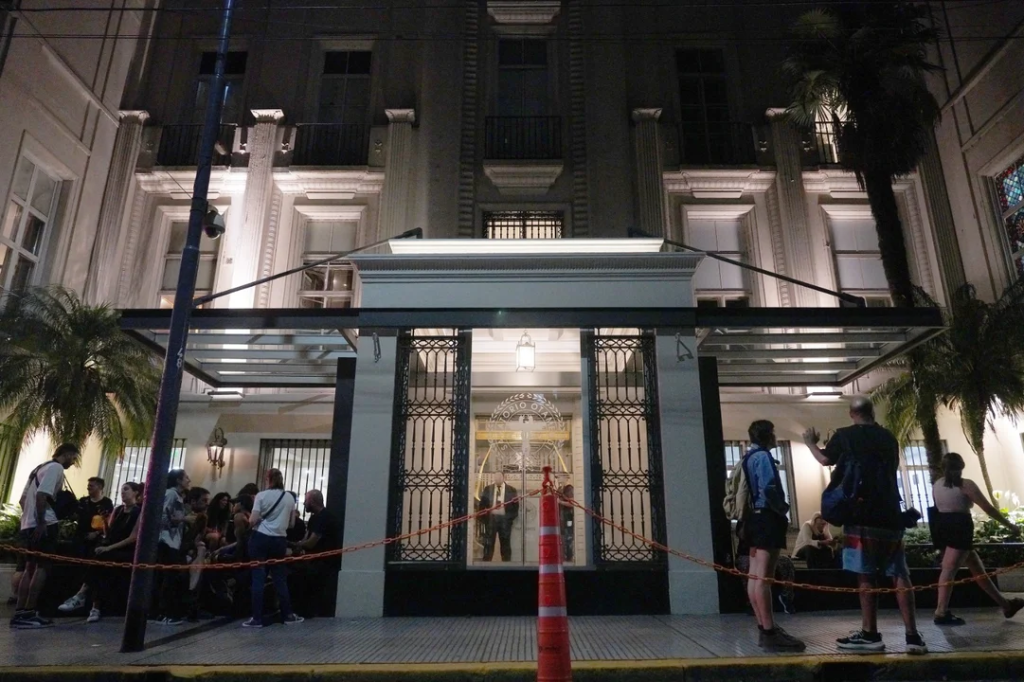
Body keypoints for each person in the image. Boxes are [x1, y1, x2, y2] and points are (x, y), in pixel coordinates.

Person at [803, 397, 927, 654]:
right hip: (891, 514)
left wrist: (810, 443)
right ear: (872, 412)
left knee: (866, 575)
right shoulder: (888, 437)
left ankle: (870, 634)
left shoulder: (845, 435)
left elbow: (825, 460)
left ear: (851, 413)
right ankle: (912, 636)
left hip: (860, 517)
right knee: (900, 574)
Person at [930, 452, 1024, 625]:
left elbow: (938, 506)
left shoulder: (937, 485)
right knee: (949, 569)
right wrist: (1010, 526)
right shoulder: (966, 485)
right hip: (960, 527)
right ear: (961, 467)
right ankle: (941, 612)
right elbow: (988, 508)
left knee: (977, 569)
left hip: (943, 526)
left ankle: (1006, 605)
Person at [738, 420, 805, 651]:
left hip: (753, 519)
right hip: (767, 517)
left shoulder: (748, 457)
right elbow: (768, 487)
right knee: (765, 578)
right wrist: (782, 508)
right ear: (768, 435)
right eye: (774, 433)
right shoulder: (764, 457)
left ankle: (763, 627)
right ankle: (770, 631)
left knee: (754, 576)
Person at [11, 443, 81, 629]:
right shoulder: (56, 468)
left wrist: (29, 519)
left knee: (29, 567)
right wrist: (42, 521)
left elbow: (23, 499)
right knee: (42, 568)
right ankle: (30, 611)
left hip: (27, 525)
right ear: (66, 454)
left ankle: (20, 613)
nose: (73, 462)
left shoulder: (38, 469)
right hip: (45, 525)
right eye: (73, 458)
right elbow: (42, 495)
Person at [244, 468, 303, 628]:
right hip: (279, 540)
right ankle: (288, 615)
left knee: (258, 577)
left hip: (260, 538)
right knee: (279, 578)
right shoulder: (289, 497)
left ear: (268, 479)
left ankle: (257, 618)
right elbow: (291, 524)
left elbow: (252, 520)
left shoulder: (261, 496)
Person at [87, 482, 144, 623]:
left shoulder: (139, 512)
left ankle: (87, 598)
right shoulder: (118, 510)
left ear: (136, 492)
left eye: (126, 489)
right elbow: (109, 533)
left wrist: (109, 548)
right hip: (112, 547)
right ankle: (90, 601)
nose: (123, 492)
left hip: (125, 550)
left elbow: (133, 537)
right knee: (97, 558)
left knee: (102, 558)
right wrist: (105, 522)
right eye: (121, 490)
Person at [58, 477, 114, 614]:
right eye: (88, 485)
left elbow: (108, 522)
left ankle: (85, 598)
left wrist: (96, 533)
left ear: (100, 487)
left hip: (95, 539)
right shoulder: (83, 501)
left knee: (90, 566)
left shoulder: (106, 503)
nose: (88, 488)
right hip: (80, 538)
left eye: (92, 486)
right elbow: (76, 516)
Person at [289, 489, 339, 618]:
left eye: (306, 500)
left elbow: (311, 542)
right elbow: (306, 539)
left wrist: (295, 545)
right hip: (314, 561)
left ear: (312, 501)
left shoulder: (324, 518)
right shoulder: (315, 518)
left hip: (322, 563)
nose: (304, 503)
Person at [149, 468, 190, 626]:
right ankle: (163, 612)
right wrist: (183, 520)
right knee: (168, 577)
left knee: (170, 576)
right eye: (186, 477)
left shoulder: (178, 496)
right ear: (178, 480)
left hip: (173, 540)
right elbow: (163, 516)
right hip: (167, 540)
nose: (188, 480)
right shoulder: (171, 494)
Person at [479, 472, 519, 562]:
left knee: (505, 543)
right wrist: (484, 519)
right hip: (491, 519)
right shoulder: (488, 489)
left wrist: (509, 519)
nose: (497, 479)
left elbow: (515, 507)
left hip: (505, 520)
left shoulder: (511, 490)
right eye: (495, 477)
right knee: (489, 543)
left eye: (499, 477)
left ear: (503, 477)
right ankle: (486, 563)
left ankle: (506, 563)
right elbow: (482, 505)